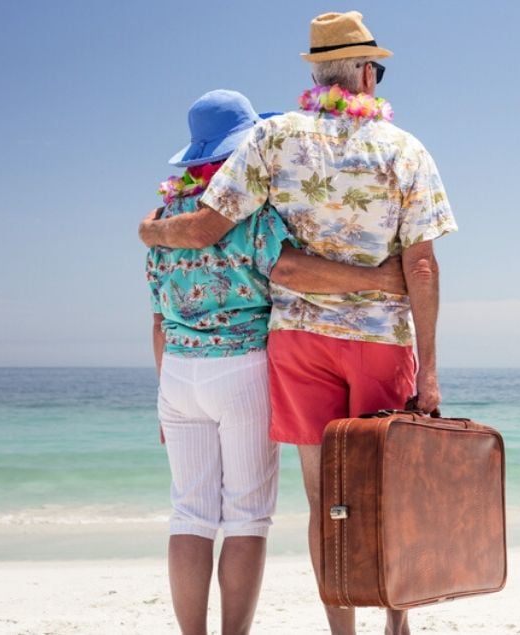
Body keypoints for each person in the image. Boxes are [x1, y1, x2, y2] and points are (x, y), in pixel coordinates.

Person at [139, 11, 457, 635]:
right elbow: (421, 266)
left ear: (317, 72)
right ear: (366, 73)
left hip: (297, 343)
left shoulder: (273, 138)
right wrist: (432, 368)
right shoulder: (406, 149)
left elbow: (207, 227)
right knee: (387, 492)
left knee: (325, 503)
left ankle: (343, 633)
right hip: (379, 343)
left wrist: (149, 230)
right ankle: (397, 627)